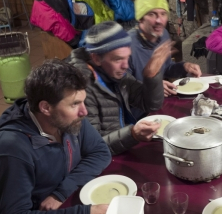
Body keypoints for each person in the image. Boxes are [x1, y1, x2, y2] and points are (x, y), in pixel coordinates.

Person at [0, 60, 112, 214]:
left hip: (65, 203)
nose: (84, 112)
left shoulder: (67, 119)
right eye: (75, 104)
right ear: (46, 108)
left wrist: (61, 192)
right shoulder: (13, 148)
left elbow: (100, 152)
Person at [67, 21, 170, 154]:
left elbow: (150, 104)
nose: (126, 66)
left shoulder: (114, 73)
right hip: (106, 161)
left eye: (127, 57)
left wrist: (152, 76)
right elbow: (91, 147)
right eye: (117, 59)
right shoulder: (81, 89)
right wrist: (132, 134)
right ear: (96, 58)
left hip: (122, 147)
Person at [129, 0, 202, 97]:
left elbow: (166, 68)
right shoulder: (127, 46)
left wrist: (184, 66)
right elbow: (122, 89)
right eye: (151, 14)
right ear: (141, 18)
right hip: (138, 110)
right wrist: (153, 87)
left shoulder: (163, 34)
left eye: (163, 14)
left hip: (157, 101)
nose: (159, 20)